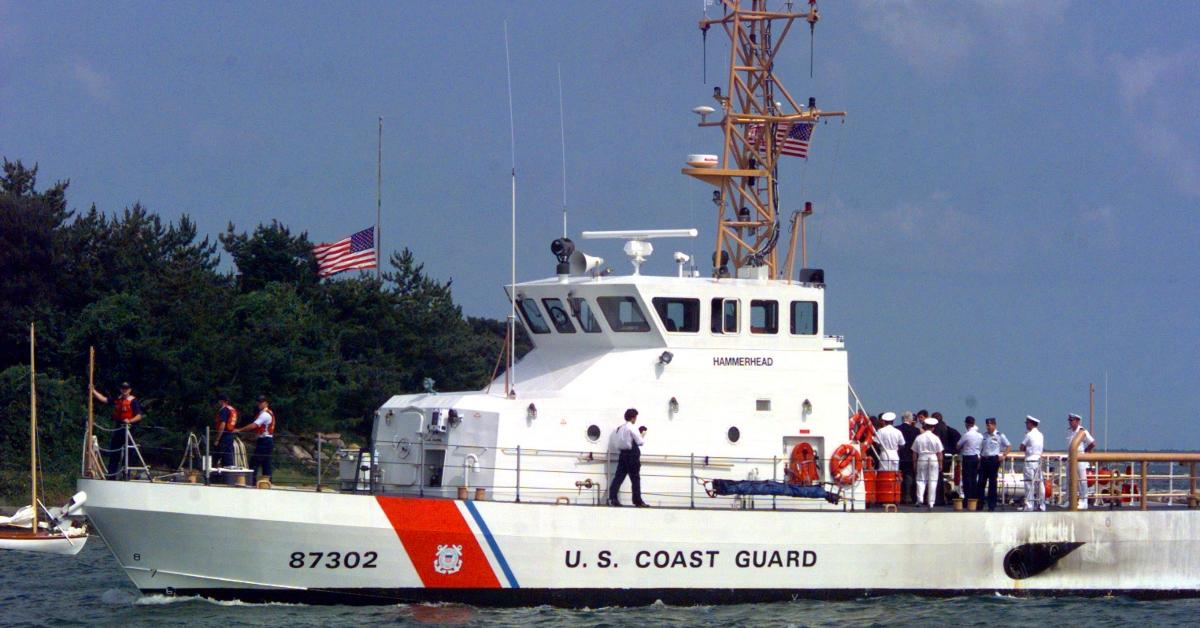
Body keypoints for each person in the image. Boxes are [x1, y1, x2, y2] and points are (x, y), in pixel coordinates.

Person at [91, 381, 143, 480]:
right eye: (123, 388)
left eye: (126, 388)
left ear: (130, 390)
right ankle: (111, 475)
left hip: (129, 429)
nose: (124, 390)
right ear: (121, 389)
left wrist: (130, 420)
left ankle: (126, 474)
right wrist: (93, 391)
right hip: (119, 427)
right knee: (114, 451)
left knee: (129, 452)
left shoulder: (133, 401)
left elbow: (139, 415)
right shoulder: (118, 399)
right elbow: (105, 399)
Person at [607, 408, 648, 507]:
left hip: (622, 455)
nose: (636, 419)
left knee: (618, 478)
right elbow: (640, 442)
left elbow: (618, 443)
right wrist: (642, 434)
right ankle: (637, 501)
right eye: (635, 417)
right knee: (635, 478)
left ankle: (612, 498)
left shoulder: (620, 428)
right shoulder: (631, 427)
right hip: (632, 455)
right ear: (633, 417)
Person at [235, 395, 276, 485]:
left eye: (261, 402)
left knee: (254, 462)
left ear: (266, 403)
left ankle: (251, 482)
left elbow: (254, 425)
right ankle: (267, 482)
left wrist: (240, 429)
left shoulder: (265, 414)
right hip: (268, 440)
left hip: (265, 441)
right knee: (266, 463)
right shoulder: (269, 413)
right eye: (259, 402)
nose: (259, 404)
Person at [978, 417, 1011, 511]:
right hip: (984, 459)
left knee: (993, 483)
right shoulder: (983, 435)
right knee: (981, 482)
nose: (988, 427)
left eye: (989, 425)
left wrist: (1004, 455)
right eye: (987, 425)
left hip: (993, 460)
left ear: (994, 425)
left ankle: (991, 505)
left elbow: (1009, 446)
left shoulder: (999, 435)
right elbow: (980, 448)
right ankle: (980, 504)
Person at [1066, 412, 1096, 509]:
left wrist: (1086, 451)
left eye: (1072, 420)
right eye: (1069, 420)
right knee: (1069, 479)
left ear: (1077, 421)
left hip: (1079, 456)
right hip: (1070, 456)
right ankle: (1069, 500)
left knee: (1082, 480)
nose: (1070, 422)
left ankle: (1084, 501)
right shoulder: (1069, 431)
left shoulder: (1082, 431)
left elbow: (1092, 443)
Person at [913, 417, 944, 509]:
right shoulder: (936, 438)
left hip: (922, 457)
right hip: (933, 458)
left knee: (920, 479)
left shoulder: (919, 437)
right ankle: (931, 502)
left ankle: (919, 499)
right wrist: (941, 463)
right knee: (933, 480)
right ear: (933, 428)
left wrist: (914, 463)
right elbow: (940, 452)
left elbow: (914, 452)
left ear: (925, 426)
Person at [1020, 415, 1046, 511]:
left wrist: (1028, 449)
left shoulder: (1029, 435)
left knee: (1029, 484)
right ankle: (1042, 505)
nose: (1026, 424)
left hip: (1030, 461)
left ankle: (1029, 505)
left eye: (1027, 423)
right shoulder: (1041, 435)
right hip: (1038, 461)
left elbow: (1021, 447)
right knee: (1040, 484)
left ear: (1031, 424)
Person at [957, 416, 983, 507]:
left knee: (966, 479)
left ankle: (967, 499)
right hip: (976, 457)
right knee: (974, 479)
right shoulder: (980, 435)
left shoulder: (967, 435)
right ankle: (974, 498)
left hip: (967, 457)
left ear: (967, 424)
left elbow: (958, 445)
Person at [897, 411, 920, 503]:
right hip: (911, 457)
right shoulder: (916, 431)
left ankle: (898, 495)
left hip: (898, 456)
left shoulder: (897, 429)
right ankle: (908, 496)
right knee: (909, 476)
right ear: (910, 419)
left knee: (898, 476)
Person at [213, 394, 238, 468]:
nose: (218, 403)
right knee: (228, 455)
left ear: (221, 401)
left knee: (218, 455)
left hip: (224, 435)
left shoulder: (224, 410)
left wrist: (217, 439)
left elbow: (223, 424)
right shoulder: (231, 409)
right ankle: (228, 473)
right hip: (230, 435)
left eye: (218, 401)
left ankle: (213, 473)